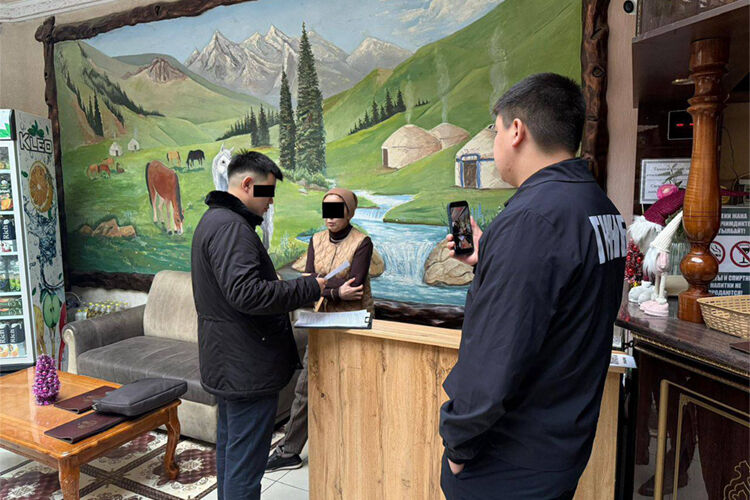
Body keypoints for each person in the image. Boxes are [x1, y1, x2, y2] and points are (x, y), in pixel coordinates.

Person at [439, 73, 627, 500]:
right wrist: (490, 260)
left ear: (516, 131)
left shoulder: (533, 219)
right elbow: (564, 305)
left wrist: (458, 445)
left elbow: (495, 354)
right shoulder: (600, 207)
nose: (495, 145)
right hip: (560, 445)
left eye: (496, 131)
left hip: (508, 458)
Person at [191, 150, 326, 500]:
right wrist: (310, 287)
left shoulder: (214, 220)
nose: (271, 202)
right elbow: (246, 294)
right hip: (245, 367)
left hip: (229, 362)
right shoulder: (232, 229)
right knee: (245, 468)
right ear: (248, 184)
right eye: (268, 192)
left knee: (232, 455)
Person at [266, 187, 374, 471]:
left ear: (349, 212)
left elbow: (355, 286)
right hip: (322, 320)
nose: (330, 218)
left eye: (337, 211)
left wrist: (320, 283)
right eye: (327, 211)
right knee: (306, 387)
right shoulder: (315, 240)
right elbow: (309, 283)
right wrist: (334, 290)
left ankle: (355, 448)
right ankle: (289, 451)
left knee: (355, 386)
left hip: (353, 324)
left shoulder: (362, 242)